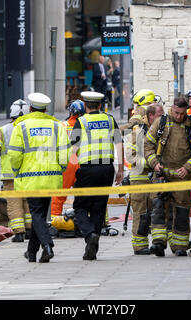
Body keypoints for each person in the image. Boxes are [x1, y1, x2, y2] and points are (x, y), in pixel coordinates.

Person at [8, 93, 71, 263]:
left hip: (31, 179)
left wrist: (16, 170)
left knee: (36, 213)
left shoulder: (21, 126)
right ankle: (32, 252)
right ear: (45, 109)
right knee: (40, 215)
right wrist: (60, 169)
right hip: (51, 179)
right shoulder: (57, 126)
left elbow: (14, 154)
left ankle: (47, 245)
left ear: (30, 108)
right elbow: (66, 153)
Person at [144, 97, 191, 256]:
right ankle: (158, 243)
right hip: (162, 174)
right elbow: (148, 144)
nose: (179, 116)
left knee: (182, 212)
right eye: (176, 113)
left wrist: (188, 167)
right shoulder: (161, 123)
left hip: (182, 177)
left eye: (182, 113)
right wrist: (154, 163)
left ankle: (180, 246)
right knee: (158, 208)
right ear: (172, 108)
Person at [70, 91, 124, 260]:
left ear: (85, 105)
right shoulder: (109, 120)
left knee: (79, 207)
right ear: (100, 105)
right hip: (107, 169)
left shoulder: (81, 121)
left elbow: (73, 149)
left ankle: (89, 235)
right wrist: (120, 169)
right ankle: (92, 246)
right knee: (99, 208)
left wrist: (72, 173)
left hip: (87, 170)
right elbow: (119, 144)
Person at [0, 99, 32, 242]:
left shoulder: (5, 130)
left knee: (14, 203)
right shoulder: (31, 128)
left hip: (10, 175)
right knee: (27, 203)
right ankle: (30, 229)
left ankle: (19, 233)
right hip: (28, 174)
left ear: (12, 114)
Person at [124, 103, 164, 255]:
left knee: (157, 210)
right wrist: (150, 163)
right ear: (150, 116)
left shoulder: (162, 132)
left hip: (155, 177)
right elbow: (130, 156)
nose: (162, 118)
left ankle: (158, 243)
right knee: (140, 213)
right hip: (139, 178)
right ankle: (140, 245)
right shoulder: (137, 133)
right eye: (159, 116)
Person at [50, 100, 85, 219]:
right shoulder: (86, 124)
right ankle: (86, 221)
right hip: (83, 162)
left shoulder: (62, 125)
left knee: (59, 196)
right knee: (85, 196)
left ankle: (54, 220)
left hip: (67, 163)